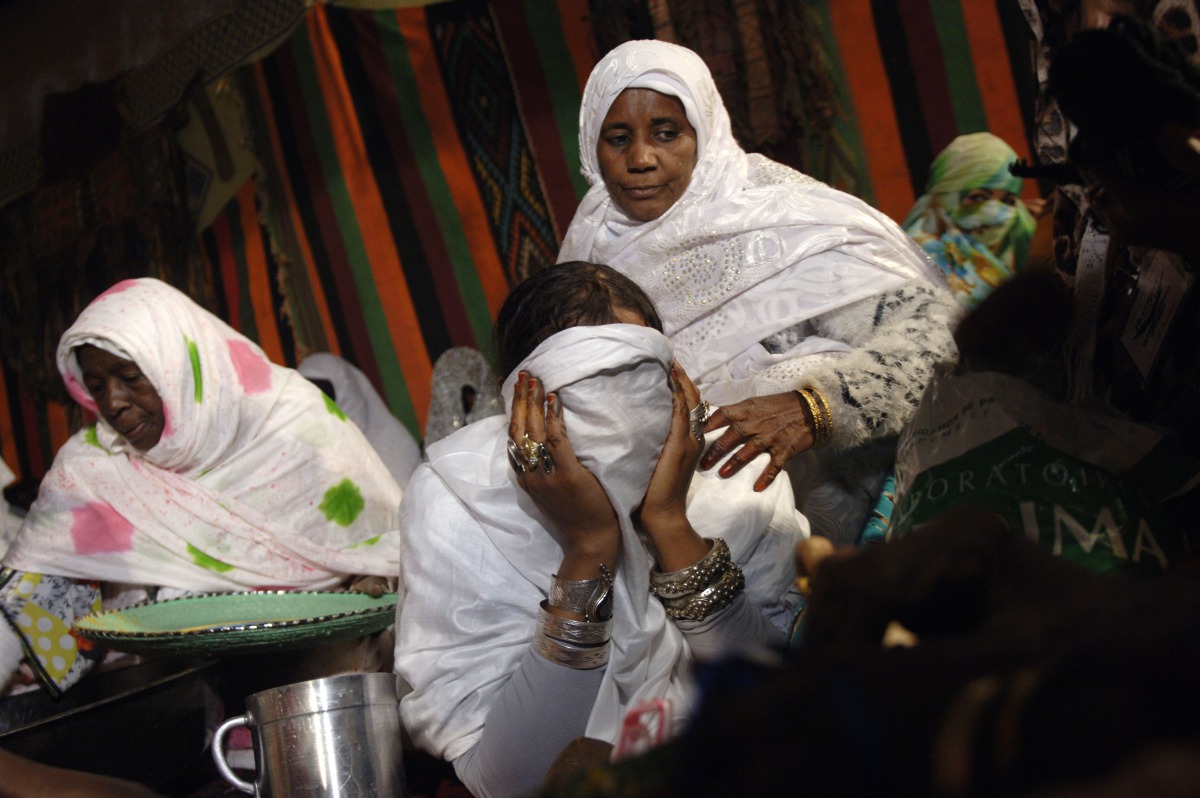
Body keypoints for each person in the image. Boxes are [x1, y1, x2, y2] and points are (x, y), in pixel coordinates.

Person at [394, 262, 805, 798]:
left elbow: (789, 702)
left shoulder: (735, 471)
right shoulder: (460, 501)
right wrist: (589, 548)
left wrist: (671, 526)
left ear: (676, 383)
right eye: (580, 388)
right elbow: (509, 779)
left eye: (637, 380)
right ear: (518, 408)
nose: (618, 420)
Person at [558, 40, 959, 545]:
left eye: (666, 133)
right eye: (617, 138)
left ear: (705, 130)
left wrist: (815, 407)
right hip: (666, 535)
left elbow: (937, 334)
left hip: (834, 531)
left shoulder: (780, 214)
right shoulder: (590, 243)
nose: (641, 158)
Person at [1, 278, 401, 695]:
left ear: (176, 364)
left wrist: (371, 582)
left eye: (130, 376)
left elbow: (385, 547)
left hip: (326, 691)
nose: (114, 402)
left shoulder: (291, 425)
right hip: (181, 704)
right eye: (97, 386)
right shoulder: (93, 468)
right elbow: (27, 600)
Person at [901, 132, 1038, 310]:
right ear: (946, 196)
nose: (996, 213)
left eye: (1008, 201)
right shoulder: (919, 259)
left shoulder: (1013, 250)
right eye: (978, 198)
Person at [298, 352, 423, 490]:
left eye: (327, 396)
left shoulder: (396, 448)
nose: (323, 407)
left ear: (348, 392)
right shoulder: (310, 460)